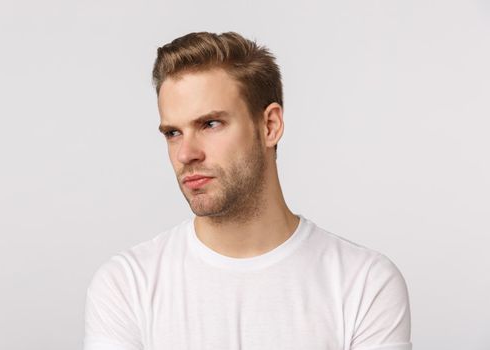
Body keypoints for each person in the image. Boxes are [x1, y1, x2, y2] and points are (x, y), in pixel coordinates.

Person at [83, 31, 412, 350]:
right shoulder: (127, 284)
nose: (186, 153)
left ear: (270, 126)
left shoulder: (364, 283)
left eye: (210, 124)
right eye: (172, 132)